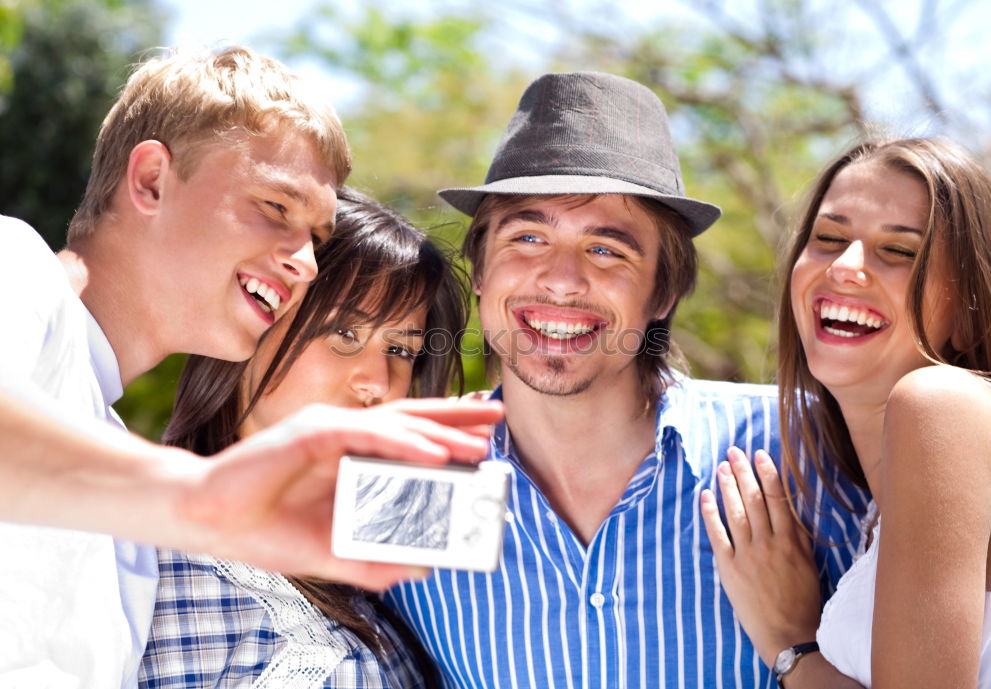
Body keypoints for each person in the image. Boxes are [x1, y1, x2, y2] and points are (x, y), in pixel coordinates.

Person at [0, 45, 500, 688]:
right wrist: (204, 500)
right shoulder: (18, 269)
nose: (306, 263)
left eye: (316, 238)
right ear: (151, 179)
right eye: (276, 208)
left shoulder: (126, 513)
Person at [383, 71, 869, 688]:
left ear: (663, 290)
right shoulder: (413, 477)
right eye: (527, 237)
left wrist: (794, 647)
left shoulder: (803, 445)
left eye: (606, 250)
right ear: (479, 272)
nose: (560, 280)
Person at [699, 136, 991, 688]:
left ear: (969, 308)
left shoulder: (942, 405)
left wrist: (789, 643)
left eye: (900, 251)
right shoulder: (874, 509)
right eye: (829, 238)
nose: (845, 266)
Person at [138, 187, 467, 688]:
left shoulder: (400, 542)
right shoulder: (139, 560)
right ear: (256, 321)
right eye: (345, 335)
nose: (377, 382)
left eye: (400, 349)